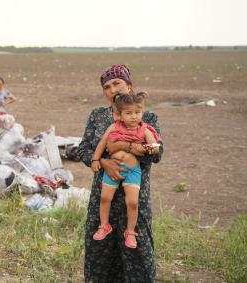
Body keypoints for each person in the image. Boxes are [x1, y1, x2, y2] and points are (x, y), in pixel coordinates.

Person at [78, 64, 163, 282]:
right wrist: (104, 161)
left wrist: (128, 147)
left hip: (134, 197)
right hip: (103, 194)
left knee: (138, 255)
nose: (112, 89)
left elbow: (157, 153)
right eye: (106, 86)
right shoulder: (97, 116)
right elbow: (84, 149)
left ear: (130, 86)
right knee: (100, 254)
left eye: (117, 83)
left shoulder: (147, 118)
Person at [90, 91, 160, 249]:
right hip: (113, 169)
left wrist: (150, 148)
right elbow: (102, 143)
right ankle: (104, 225)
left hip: (132, 171)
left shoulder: (145, 130)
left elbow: (155, 147)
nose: (134, 116)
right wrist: (95, 159)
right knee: (105, 199)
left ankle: (130, 232)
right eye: (129, 113)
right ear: (120, 115)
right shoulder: (114, 127)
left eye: (137, 112)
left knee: (133, 202)